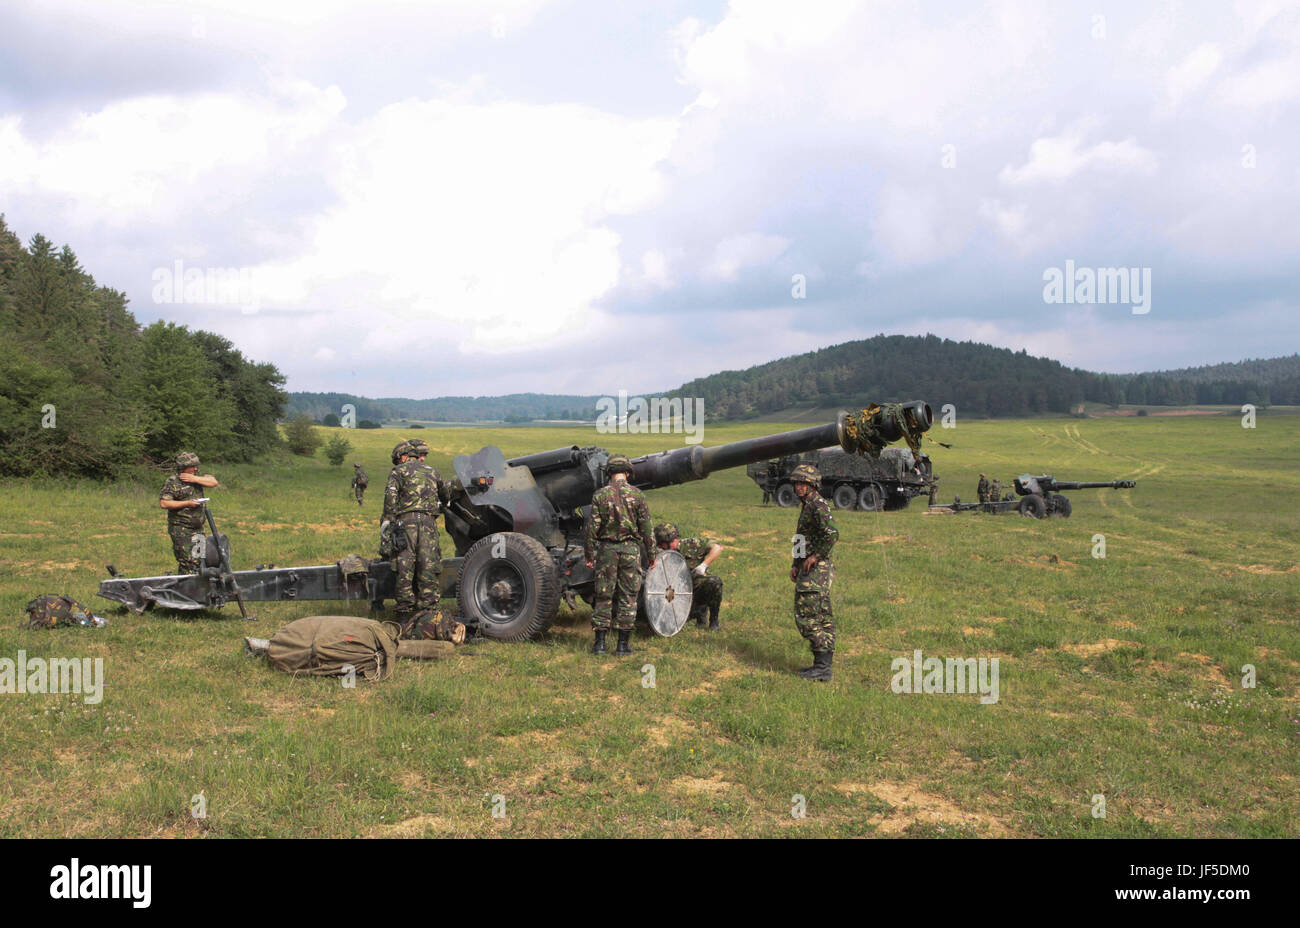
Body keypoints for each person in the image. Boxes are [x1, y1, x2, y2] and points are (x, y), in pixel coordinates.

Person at [584, 454, 654, 656]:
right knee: (628, 597)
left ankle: (600, 645)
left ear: (609, 473)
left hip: (607, 551)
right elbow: (647, 529)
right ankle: (623, 645)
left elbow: (591, 529)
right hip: (631, 551)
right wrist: (652, 555)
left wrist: (589, 555)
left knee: (603, 595)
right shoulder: (638, 495)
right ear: (628, 472)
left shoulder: (600, 495)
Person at [383, 438, 453, 637]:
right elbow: (445, 496)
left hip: (406, 524)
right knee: (428, 565)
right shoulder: (432, 471)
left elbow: (390, 500)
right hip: (429, 524)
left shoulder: (398, 472)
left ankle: (404, 615)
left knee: (404, 567)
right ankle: (428, 614)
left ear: (402, 456)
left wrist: (389, 523)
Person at [789, 463, 838, 681]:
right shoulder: (807, 504)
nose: (799, 487)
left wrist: (815, 556)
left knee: (808, 616)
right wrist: (795, 563)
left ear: (813, 485)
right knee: (821, 615)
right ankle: (822, 667)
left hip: (816, 570)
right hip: (808, 568)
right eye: (797, 483)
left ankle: (822, 668)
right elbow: (801, 538)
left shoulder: (818, 505)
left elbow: (832, 533)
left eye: (803, 483)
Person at [653, 522, 724, 630]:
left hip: (693, 587)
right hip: (672, 593)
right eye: (661, 544)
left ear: (675, 539)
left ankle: (713, 620)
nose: (664, 547)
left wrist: (703, 565)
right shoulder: (659, 552)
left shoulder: (691, 545)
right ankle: (694, 613)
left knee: (714, 582)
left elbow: (718, 548)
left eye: (669, 542)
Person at [159, 452, 219, 574]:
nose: (196, 469)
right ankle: (186, 586)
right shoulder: (173, 482)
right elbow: (164, 503)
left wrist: (195, 478)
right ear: (183, 467)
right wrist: (187, 503)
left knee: (200, 560)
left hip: (198, 528)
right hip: (181, 529)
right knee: (188, 562)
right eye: (193, 466)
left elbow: (213, 482)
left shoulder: (196, 477)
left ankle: (195, 587)